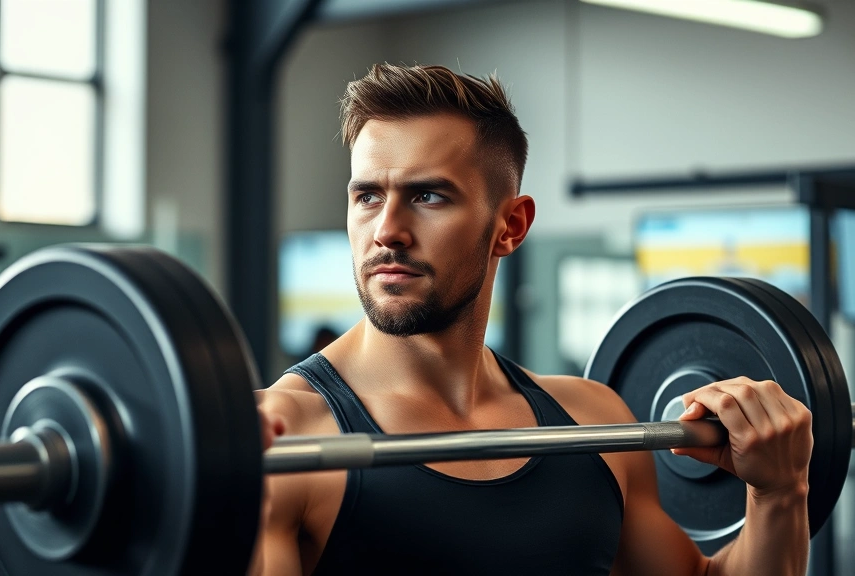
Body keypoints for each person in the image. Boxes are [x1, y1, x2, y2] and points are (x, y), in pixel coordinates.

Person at [254, 64, 812, 575]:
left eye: (427, 196)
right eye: (368, 197)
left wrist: (780, 491)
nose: (387, 230)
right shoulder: (287, 437)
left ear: (511, 226)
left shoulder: (593, 423)